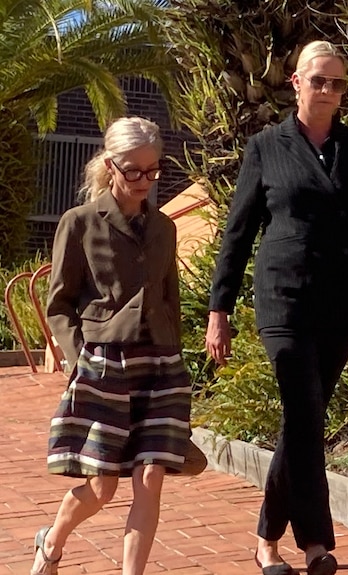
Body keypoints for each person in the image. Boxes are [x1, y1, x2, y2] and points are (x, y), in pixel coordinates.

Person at [205, 40, 348, 575]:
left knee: (306, 420)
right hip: (285, 299)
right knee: (303, 412)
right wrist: (218, 310)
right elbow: (238, 233)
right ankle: (315, 543)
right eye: (318, 80)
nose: (328, 91)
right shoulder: (266, 146)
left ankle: (267, 537)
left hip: (341, 302)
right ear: (295, 83)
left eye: (337, 83)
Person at [32, 117, 195, 575]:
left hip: (161, 365)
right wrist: (76, 358)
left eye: (153, 170)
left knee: (150, 477)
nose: (145, 181)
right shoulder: (79, 223)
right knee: (102, 486)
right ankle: (52, 543)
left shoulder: (164, 226)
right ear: (110, 166)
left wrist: (178, 357)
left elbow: (170, 297)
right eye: (133, 170)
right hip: (105, 364)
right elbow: (60, 303)